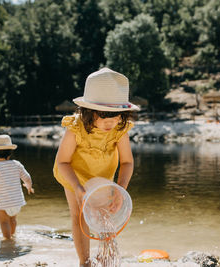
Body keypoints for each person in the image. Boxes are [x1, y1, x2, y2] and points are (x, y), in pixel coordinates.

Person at [53, 67, 140, 267]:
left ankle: (106, 257)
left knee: (105, 216)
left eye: (116, 114)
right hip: (73, 175)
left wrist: (120, 190)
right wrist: (77, 187)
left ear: (123, 113)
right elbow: (63, 161)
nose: (110, 120)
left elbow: (127, 162)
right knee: (79, 215)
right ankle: (85, 261)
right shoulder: (76, 128)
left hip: (102, 178)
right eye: (103, 114)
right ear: (88, 111)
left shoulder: (120, 129)